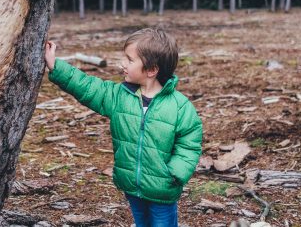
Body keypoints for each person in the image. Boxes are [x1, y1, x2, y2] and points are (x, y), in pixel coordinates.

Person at [44, 27, 203, 227]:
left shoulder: (179, 106)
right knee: (141, 223)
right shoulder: (119, 96)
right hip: (131, 184)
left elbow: (190, 141)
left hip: (163, 188)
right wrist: (56, 66)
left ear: (152, 70)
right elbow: (87, 87)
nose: (122, 64)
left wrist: (176, 172)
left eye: (129, 59)